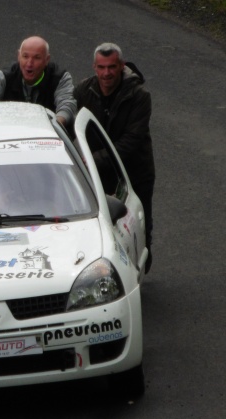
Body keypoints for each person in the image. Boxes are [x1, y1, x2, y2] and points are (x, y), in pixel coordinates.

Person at [74, 42, 155, 273]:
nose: (106, 73)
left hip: (135, 172)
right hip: (98, 175)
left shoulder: (139, 96)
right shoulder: (83, 91)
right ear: (94, 67)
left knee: (139, 224)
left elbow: (130, 142)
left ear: (121, 66)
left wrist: (89, 160)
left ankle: (140, 269)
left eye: (111, 67)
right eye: (101, 67)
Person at [0, 36, 76, 128]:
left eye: (37, 58)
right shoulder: (4, 76)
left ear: (47, 60)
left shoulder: (60, 77)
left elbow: (67, 106)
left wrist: (55, 125)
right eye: (25, 56)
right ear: (18, 56)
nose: (29, 63)